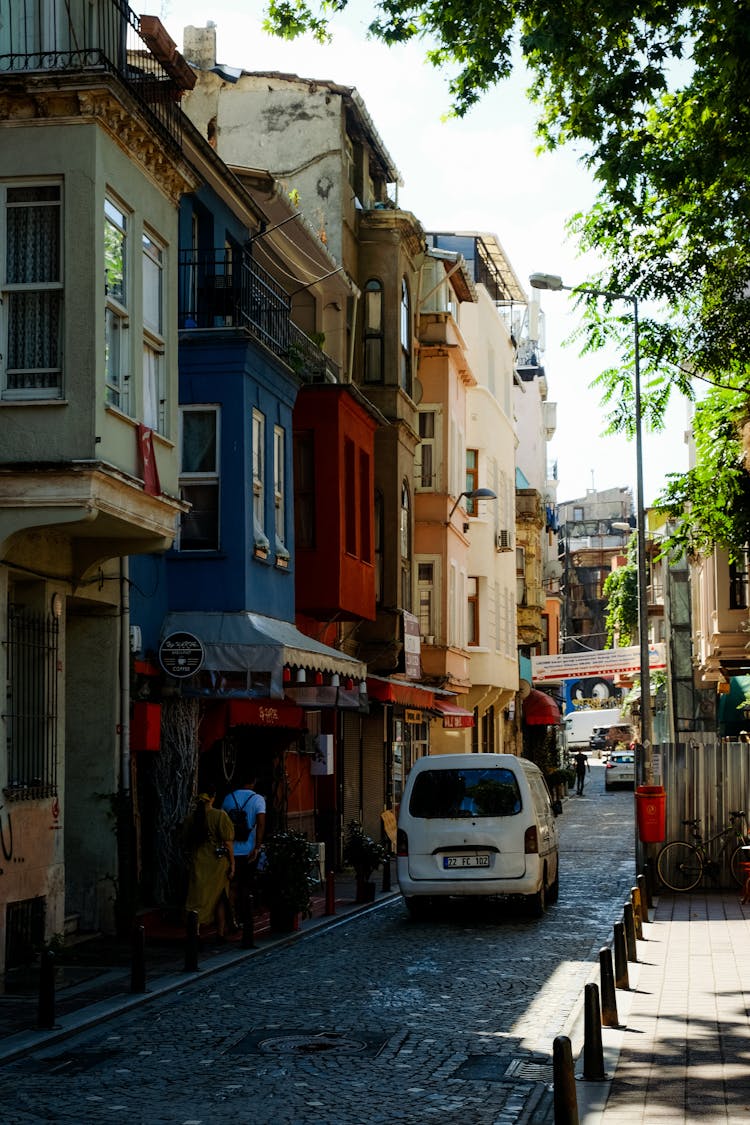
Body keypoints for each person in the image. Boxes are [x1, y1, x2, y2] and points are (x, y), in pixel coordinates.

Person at [184, 787, 235, 939]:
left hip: (198, 861)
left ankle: (196, 931)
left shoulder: (191, 818)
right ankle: (220, 932)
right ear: (213, 797)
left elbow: (185, 841)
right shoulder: (220, 816)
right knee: (220, 896)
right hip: (217, 862)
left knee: (197, 898)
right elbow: (228, 843)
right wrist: (232, 863)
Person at [221, 776, 266, 924]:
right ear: (253, 782)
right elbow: (260, 824)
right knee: (246, 884)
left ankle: (231, 917)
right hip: (249, 850)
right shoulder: (258, 799)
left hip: (231, 850)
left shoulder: (228, 798)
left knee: (232, 886)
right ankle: (245, 917)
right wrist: (257, 847)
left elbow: (222, 825)